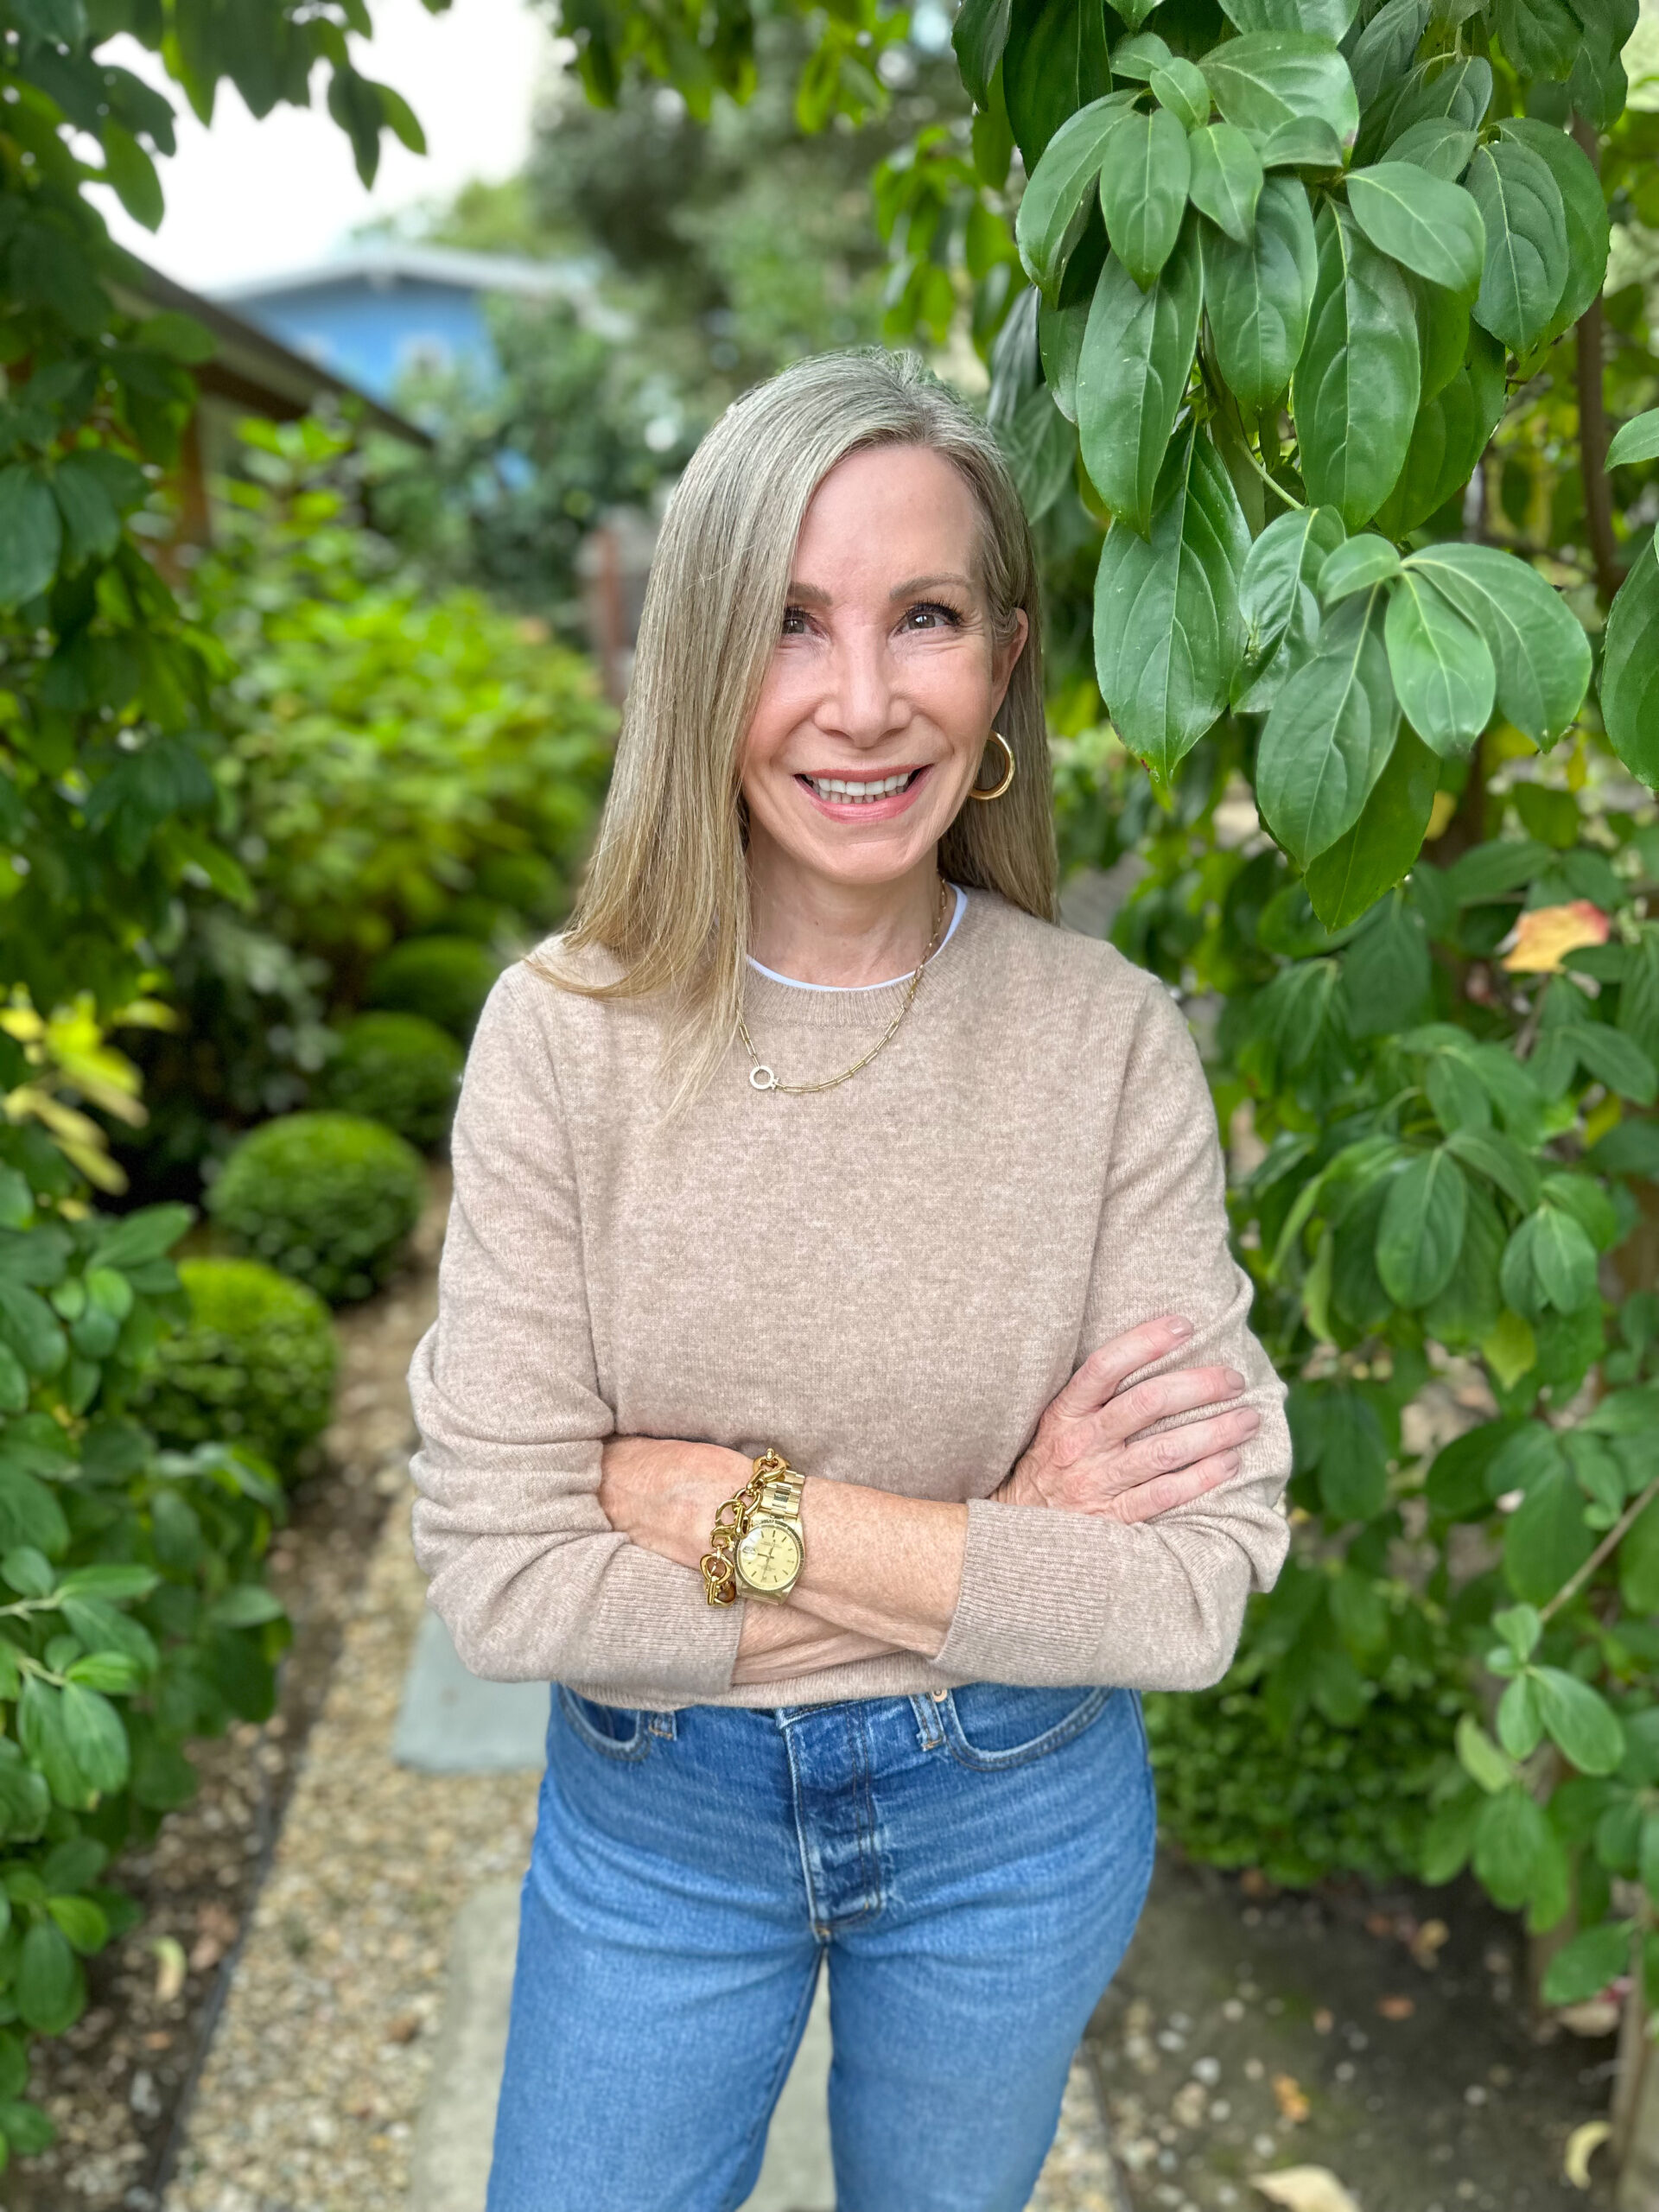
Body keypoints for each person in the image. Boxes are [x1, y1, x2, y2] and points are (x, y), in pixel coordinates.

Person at [408, 348, 1292, 2212]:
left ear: (1005, 666)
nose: (866, 700)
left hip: (1016, 1817)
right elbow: (502, 1577)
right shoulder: (566, 1038)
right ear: (703, 660)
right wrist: (1002, 1545)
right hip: (659, 1827)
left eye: (929, 616)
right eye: (794, 625)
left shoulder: (1108, 1041)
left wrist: (726, 1508)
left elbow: (1194, 1582)